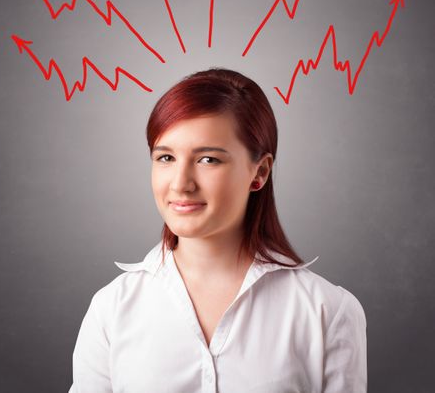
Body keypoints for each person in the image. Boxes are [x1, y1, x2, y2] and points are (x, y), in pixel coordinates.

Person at [68, 67, 367, 393]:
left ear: (260, 172)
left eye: (208, 160)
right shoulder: (111, 309)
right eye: (165, 157)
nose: (180, 184)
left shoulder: (327, 311)